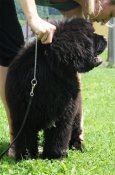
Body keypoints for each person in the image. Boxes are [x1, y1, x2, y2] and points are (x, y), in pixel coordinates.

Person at [0, 0, 115, 157]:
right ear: (105, 2)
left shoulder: (74, 8)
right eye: (111, 15)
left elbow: (74, 60)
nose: (106, 22)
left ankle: (54, 145)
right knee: (10, 50)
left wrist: (77, 127)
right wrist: (33, 18)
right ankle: (18, 139)